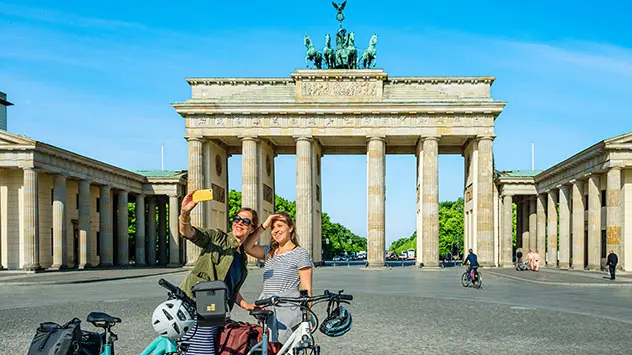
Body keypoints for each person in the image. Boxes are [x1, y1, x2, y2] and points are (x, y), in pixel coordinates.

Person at [177, 190, 258, 355]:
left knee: (207, 349)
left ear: (251, 228)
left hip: (214, 309)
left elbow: (229, 288)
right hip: (193, 302)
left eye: (245, 221)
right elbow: (188, 232)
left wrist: (246, 305)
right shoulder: (217, 238)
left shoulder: (241, 259)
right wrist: (184, 214)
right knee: (201, 351)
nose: (239, 223)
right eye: (237, 219)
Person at [243, 212, 313, 344]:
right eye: (273, 228)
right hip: (268, 307)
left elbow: (306, 290)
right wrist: (264, 225)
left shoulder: (300, 254)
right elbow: (247, 246)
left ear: (290, 228)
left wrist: (307, 318)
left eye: (280, 226)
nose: (275, 231)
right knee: (268, 347)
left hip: (288, 309)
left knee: (285, 347)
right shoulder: (269, 251)